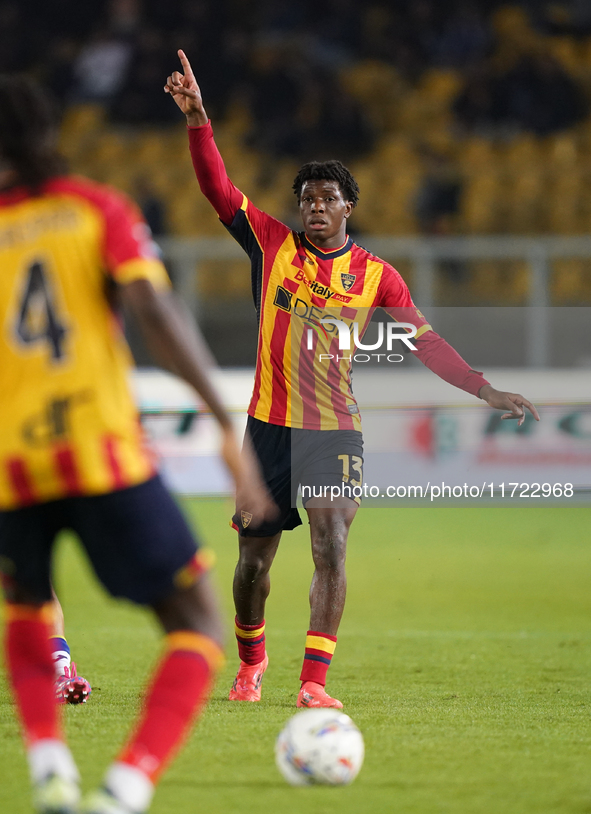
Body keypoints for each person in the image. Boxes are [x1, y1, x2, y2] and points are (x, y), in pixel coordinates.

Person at [165, 50, 540, 710]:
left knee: (331, 544)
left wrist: (484, 389)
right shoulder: (270, 245)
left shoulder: (377, 276)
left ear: (349, 208)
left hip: (334, 429)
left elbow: (424, 343)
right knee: (253, 564)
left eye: (327, 198)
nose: (315, 206)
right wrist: (199, 120)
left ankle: (314, 684)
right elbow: (218, 190)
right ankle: (252, 660)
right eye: (306, 198)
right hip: (268, 426)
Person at [0, 74, 272, 814]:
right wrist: (221, 421)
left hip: (11, 467)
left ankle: (49, 761)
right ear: (50, 132)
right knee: (197, 622)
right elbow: (153, 309)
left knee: (24, 606)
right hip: (99, 452)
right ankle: (125, 784)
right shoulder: (95, 209)